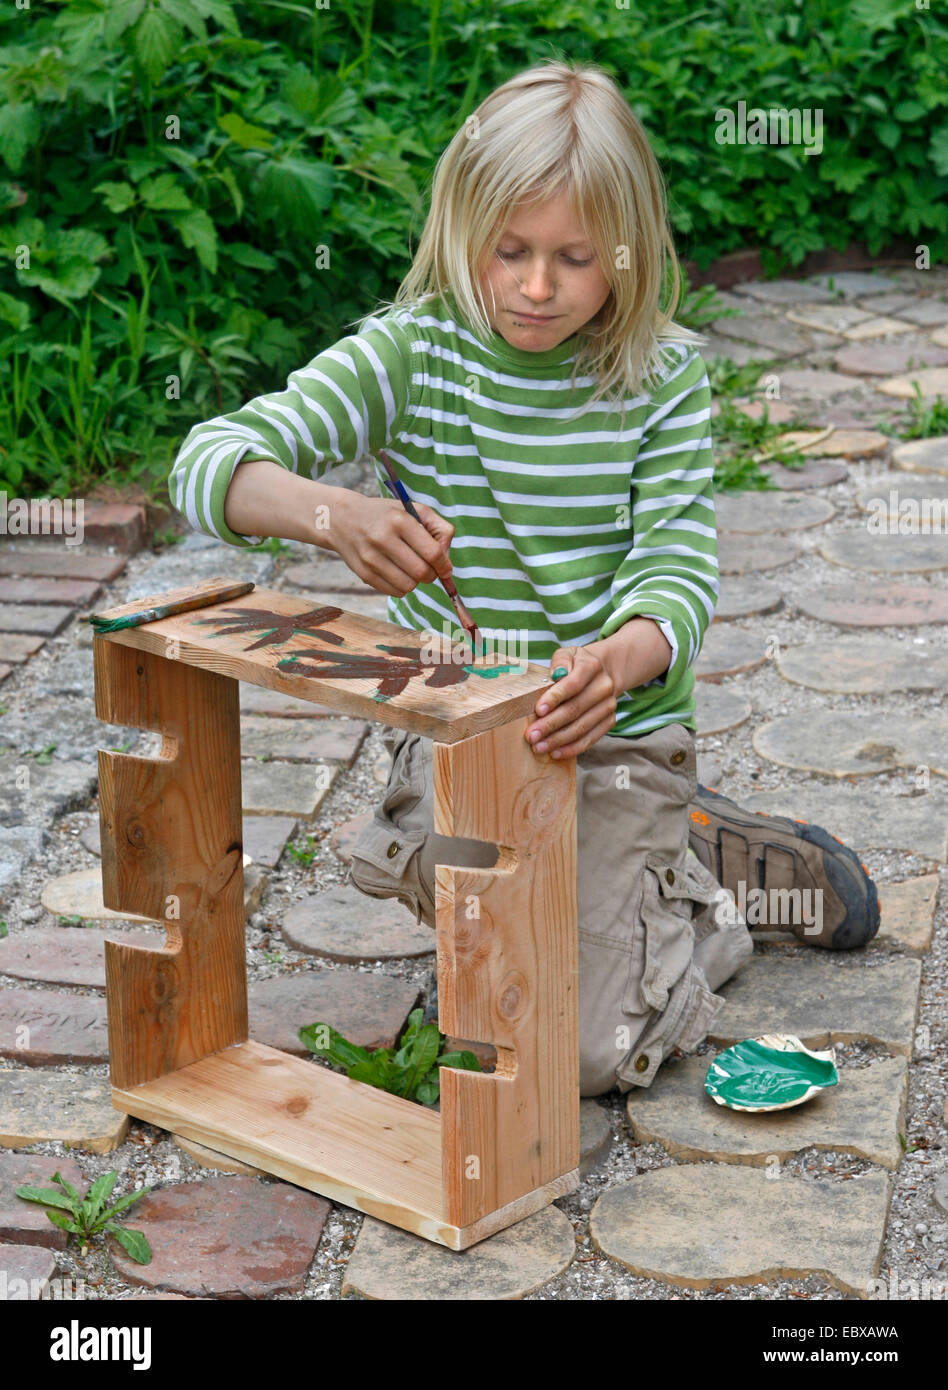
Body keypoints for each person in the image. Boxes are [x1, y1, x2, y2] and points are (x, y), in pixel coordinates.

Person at [168, 60, 879, 1097]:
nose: (537, 287)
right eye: (509, 252)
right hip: (471, 735)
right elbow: (207, 462)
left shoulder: (661, 378)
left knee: (576, 1056)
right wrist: (340, 516)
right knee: (486, 996)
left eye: (575, 258)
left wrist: (616, 662)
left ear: (627, 254)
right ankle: (659, 872)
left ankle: (704, 904)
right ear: (464, 229)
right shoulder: (413, 355)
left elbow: (677, 570)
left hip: (618, 737)